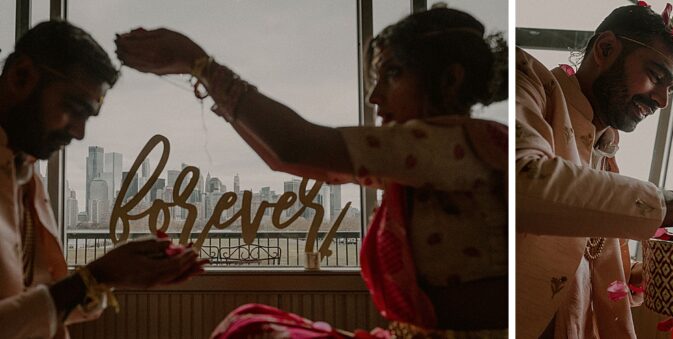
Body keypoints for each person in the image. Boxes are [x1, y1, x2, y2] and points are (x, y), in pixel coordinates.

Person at [114, 6, 509, 337]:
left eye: (392, 75)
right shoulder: (442, 153)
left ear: (451, 79)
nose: (374, 98)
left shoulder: (446, 144)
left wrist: (199, 63)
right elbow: (286, 159)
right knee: (249, 325)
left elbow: (295, 145)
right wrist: (201, 72)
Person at [516, 3, 673, 338]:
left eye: (671, 90)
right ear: (606, 49)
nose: (662, 101)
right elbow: (525, 184)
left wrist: (662, 272)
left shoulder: (604, 154)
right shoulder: (526, 81)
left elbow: (580, 264)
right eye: (657, 76)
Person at [0, 21, 207, 339]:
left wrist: (110, 277)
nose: (79, 133)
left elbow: (33, 310)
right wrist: (93, 277)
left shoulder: (27, 176)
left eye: (88, 117)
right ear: (21, 76)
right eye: (73, 108)